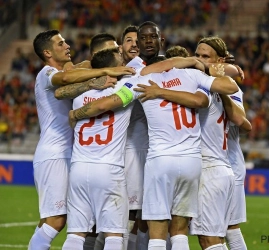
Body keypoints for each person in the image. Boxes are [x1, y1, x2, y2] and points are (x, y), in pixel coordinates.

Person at [68, 48, 239, 250]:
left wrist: (75, 114)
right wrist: (204, 67)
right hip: (191, 161)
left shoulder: (141, 81)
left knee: (154, 235)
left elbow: (104, 103)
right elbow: (229, 87)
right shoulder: (192, 75)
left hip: (158, 161)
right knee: (179, 232)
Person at [28, 29, 135, 250]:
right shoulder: (46, 74)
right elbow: (66, 79)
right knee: (56, 221)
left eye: (66, 42)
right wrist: (108, 69)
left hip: (74, 156)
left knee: (72, 224)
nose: (67, 46)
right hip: (54, 153)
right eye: (60, 44)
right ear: (47, 52)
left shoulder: (75, 75)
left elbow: (76, 73)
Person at [189, 36, 251, 250]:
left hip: (220, 163)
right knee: (226, 230)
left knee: (214, 235)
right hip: (221, 163)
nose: (198, 60)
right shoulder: (206, 82)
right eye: (196, 55)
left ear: (220, 61)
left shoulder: (222, 86)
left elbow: (242, 121)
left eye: (205, 56)